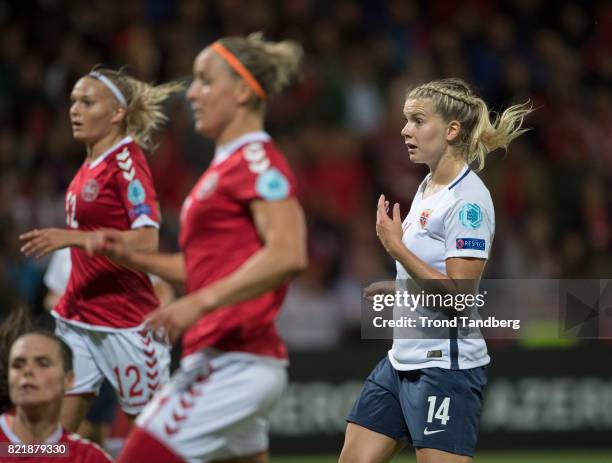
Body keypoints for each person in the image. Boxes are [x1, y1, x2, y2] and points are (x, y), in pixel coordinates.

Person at [88, 33, 307, 463]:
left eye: (205, 81)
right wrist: (132, 257)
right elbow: (207, 270)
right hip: (226, 358)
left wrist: (198, 305)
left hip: (232, 364)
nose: (193, 93)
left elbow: (288, 253)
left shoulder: (256, 162)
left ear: (243, 90)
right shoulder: (224, 168)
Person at [339, 78, 532, 463]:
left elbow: (460, 298)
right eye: (405, 120)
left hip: (445, 366)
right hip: (401, 361)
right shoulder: (428, 185)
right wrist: (399, 287)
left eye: (416, 120)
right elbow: (432, 272)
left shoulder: (468, 202)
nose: (404, 130)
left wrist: (394, 247)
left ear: (451, 130)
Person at [18, 67, 183, 432]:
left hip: (125, 324)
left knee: (156, 444)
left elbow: (147, 240)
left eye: (87, 102)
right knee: (53, 438)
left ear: (116, 113)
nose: (74, 110)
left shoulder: (126, 164)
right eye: (73, 101)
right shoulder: (90, 164)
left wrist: (73, 237)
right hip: (77, 318)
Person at [42, 248, 175, 448]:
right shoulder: (66, 250)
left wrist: (155, 319)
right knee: (65, 433)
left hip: (123, 346)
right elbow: (51, 297)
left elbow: (162, 289)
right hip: (81, 342)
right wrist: (81, 308)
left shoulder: (124, 244)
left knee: (104, 430)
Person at [1, 330, 113, 462]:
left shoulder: (89, 458)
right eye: (17, 365)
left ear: (68, 380)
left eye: (42, 363)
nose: (27, 371)